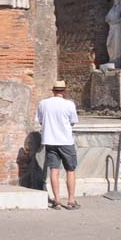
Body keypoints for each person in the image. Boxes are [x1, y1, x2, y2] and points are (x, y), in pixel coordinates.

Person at [36, 80, 79, 210]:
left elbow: (40, 121)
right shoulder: (69, 104)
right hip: (66, 141)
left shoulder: (43, 103)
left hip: (50, 141)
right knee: (70, 170)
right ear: (64, 91)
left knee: (53, 171)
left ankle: (57, 201)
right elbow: (73, 122)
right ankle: (71, 200)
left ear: (53, 90)